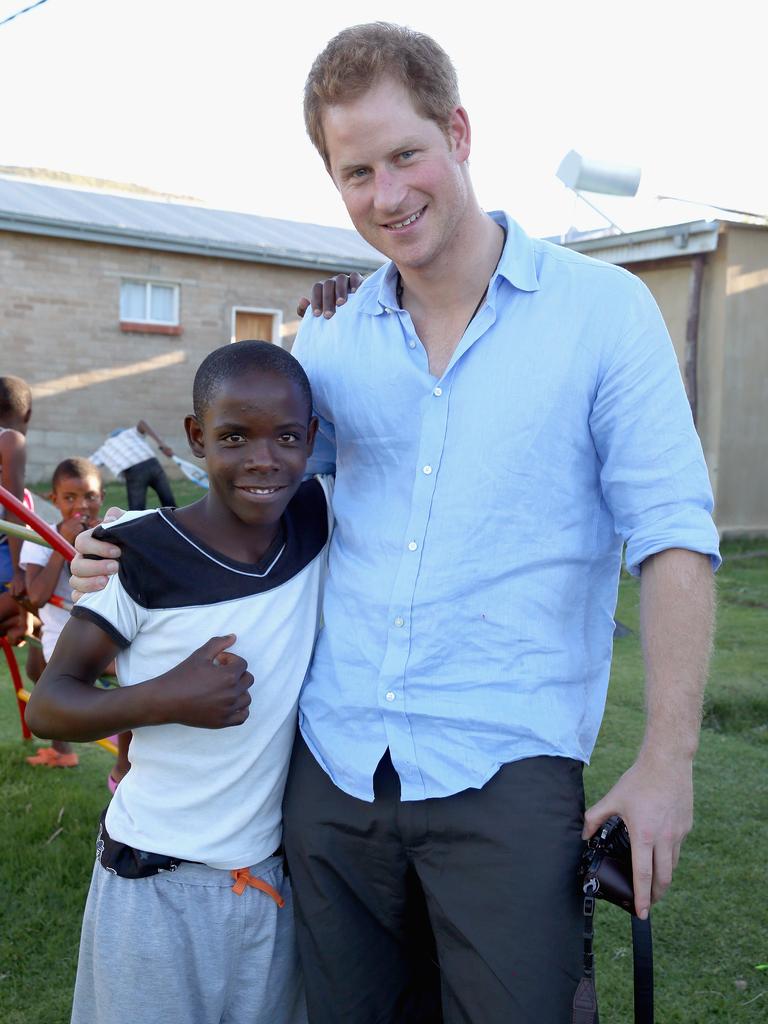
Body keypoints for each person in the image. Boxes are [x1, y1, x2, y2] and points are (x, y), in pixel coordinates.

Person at [71, 22, 720, 1024]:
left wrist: (666, 761)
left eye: (405, 154)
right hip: (331, 772)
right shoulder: (330, 331)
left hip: (505, 770)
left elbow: (675, 537)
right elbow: (259, 503)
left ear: (458, 131)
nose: (386, 195)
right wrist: (124, 561)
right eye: (355, 171)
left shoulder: (604, 315)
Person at [28, 341, 330, 1024]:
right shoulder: (136, 554)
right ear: (195, 438)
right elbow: (50, 701)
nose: (263, 459)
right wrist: (165, 697)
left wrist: (333, 313)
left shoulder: (316, 521)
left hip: (267, 885)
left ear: (311, 440)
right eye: (233, 437)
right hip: (152, 882)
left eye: (286, 437)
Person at [21, 457, 104, 767]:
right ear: (53, 500)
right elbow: (37, 596)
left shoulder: (111, 534)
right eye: (70, 498)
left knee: (133, 672)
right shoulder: (40, 538)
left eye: (90, 497)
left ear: (102, 498)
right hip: (62, 634)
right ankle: (63, 750)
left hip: (105, 631)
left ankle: (122, 762)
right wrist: (61, 545)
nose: (81, 506)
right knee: (43, 676)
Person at [0, 374, 33, 645]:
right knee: (36, 590)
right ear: (28, 414)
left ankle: (17, 624)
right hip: (3, 548)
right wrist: (21, 571)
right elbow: (14, 510)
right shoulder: (10, 440)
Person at [88, 419, 177, 510]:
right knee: (169, 502)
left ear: (110, 438)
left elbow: (87, 464)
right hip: (153, 464)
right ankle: (177, 521)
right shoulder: (130, 433)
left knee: (136, 511)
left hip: (134, 471)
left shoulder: (105, 448)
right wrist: (162, 444)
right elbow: (142, 423)